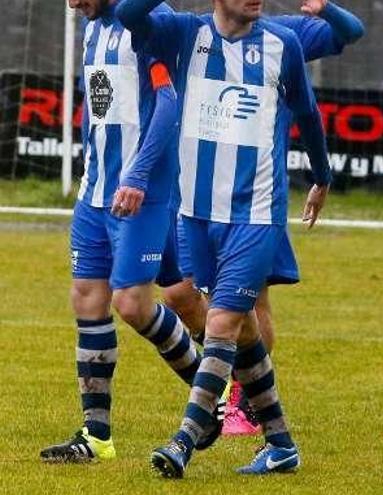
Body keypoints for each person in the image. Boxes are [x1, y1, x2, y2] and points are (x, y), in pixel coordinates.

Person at [117, 0, 333, 477]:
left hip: (256, 215)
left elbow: (309, 113)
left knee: (222, 323)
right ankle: (281, 445)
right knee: (245, 330)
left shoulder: (284, 44)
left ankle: (183, 441)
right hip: (195, 213)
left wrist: (322, 175)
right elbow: (130, 14)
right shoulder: (182, 34)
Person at [158, 0, 365, 438]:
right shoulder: (189, 33)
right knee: (182, 294)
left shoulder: (284, 35)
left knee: (252, 304)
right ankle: (229, 376)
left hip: (255, 196)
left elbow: (350, 32)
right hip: (198, 197)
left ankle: (239, 404)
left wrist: (324, 7)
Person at [40, 0, 208, 464]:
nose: (73, 3)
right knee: (87, 299)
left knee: (133, 303)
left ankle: (207, 388)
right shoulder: (93, 29)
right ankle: (96, 438)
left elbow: (168, 103)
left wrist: (135, 174)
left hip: (142, 193)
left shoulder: (146, 23)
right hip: (96, 193)